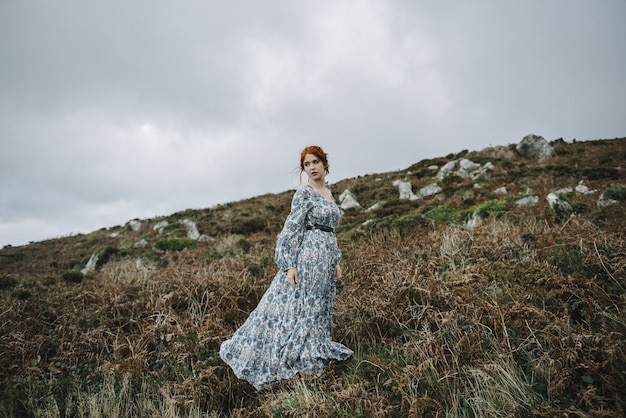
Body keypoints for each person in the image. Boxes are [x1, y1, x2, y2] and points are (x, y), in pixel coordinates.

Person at [219, 145, 353, 389]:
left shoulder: (328, 193)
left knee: (320, 305)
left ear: (325, 164)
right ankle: (297, 353)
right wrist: (289, 264)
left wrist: (336, 260)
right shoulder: (304, 193)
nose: (311, 168)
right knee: (304, 305)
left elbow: (331, 231)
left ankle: (315, 348)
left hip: (325, 258)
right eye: (307, 165)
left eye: (315, 162)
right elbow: (291, 228)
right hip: (309, 257)